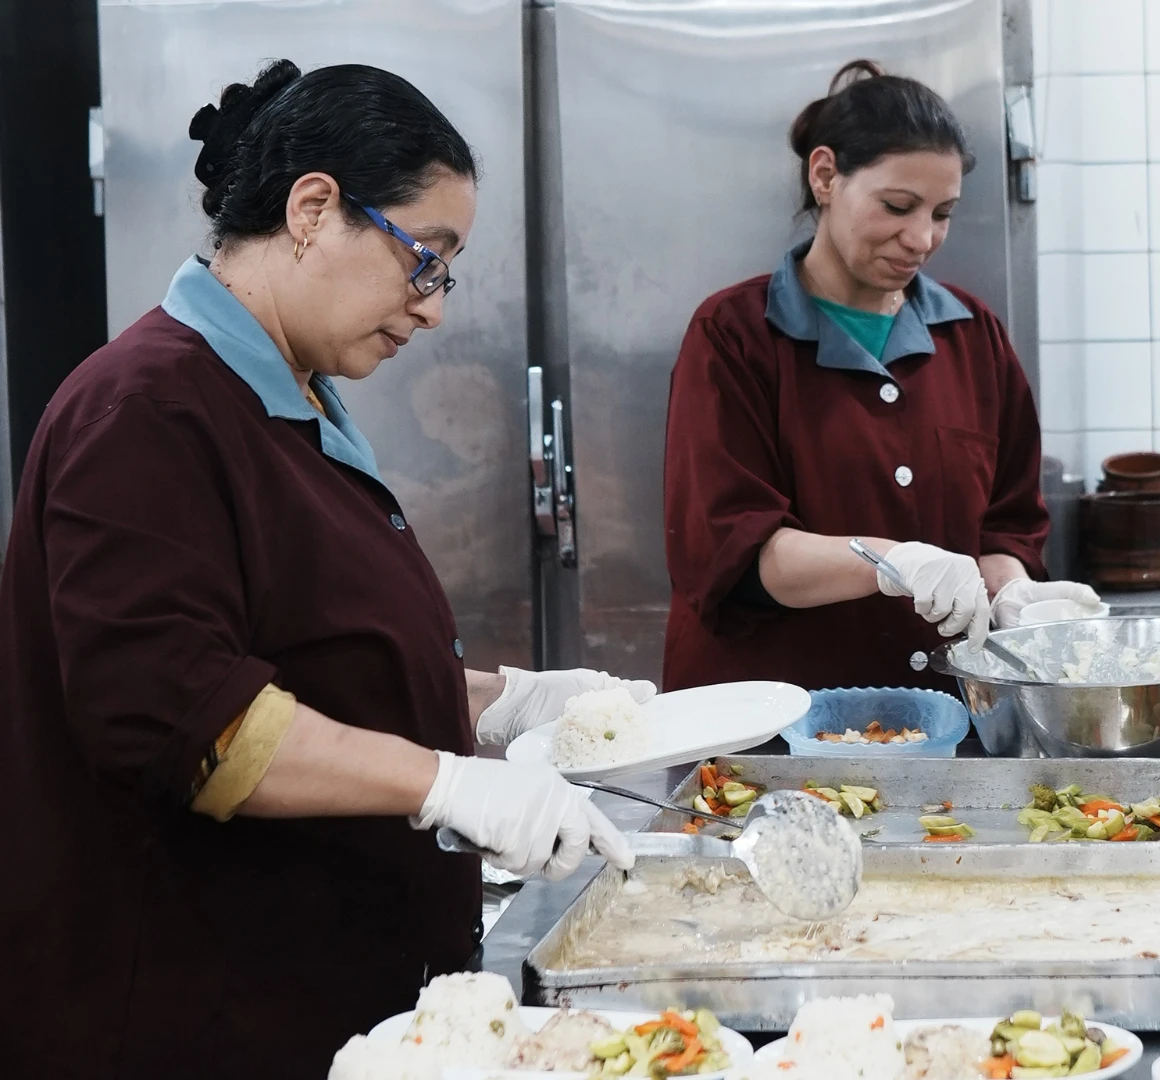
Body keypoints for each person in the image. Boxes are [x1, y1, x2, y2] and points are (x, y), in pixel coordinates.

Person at [0, 61, 638, 1076]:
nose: (432, 309)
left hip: (321, 1003)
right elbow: (182, 716)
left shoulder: (288, 405)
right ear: (312, 208)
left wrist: (500, 703)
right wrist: (445, 783)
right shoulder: (147, 410)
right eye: (423, 259)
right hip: (193, 1017)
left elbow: (317, 661)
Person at [663, 60, 1100, 693]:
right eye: (898, 206)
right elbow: (736, 549)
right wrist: (890, 561)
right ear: (825, 176)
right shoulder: (734, 336)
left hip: (946, 722)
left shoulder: (973, 337)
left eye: (942, 212)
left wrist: (1012, 592)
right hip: (775, 731)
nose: (921, 238)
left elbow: (1007, 523)